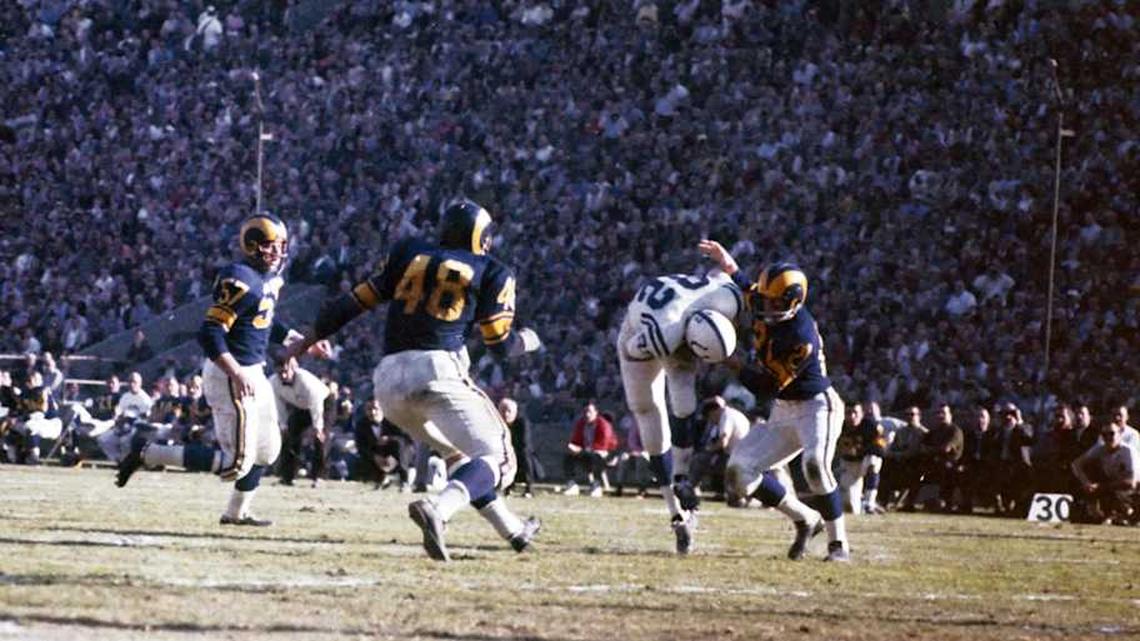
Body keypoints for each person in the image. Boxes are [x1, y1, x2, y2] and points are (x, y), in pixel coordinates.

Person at [284, 198, 542, 561]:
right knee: (500, 460)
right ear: (480, 237)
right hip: (437, 370)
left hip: (388, 381)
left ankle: (513, 531)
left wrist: (302, 343)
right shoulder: (492, 270)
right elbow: (499, 345)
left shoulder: (409, 252)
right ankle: (438, 509)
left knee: (461, 458)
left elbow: (352, 303)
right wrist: (528, 341)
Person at [117, 213, 331, 528]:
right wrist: (236, 372)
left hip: (252, 372)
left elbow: (265, 320)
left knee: (267, 452)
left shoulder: (266, 281)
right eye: (273, 246)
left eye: (282, 246)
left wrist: (300, 342)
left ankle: (236, 513)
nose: (279, 253)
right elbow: (211, 333)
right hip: (231, 372)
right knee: (235, 465)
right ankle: (148, 453)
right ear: (253, 245)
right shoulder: (239, 277)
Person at [699, 240, 850, 561]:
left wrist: (732, 362)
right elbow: (747, 287)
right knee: (739, 472)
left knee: (815, 466)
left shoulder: (800, 336)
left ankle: (839, 545)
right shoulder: (771, 302)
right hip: (783, 409)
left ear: (792, 304)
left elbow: (768, 384)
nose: (762, 307)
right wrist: (729, 264)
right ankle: (805, 518)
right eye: (764, 301)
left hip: (816, 406)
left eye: (771, 302)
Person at [616, 253, 743, 554]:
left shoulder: (727, 299)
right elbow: (635, 350)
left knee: (684, 405)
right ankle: (676, 510)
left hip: (677, 325)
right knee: (648, 410)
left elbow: (720, 273)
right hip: (641, 333)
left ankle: (683, 479)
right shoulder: (667, 333)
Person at [270, 357, 331, 487]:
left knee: (320, 439)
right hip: (300, 406)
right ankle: (288, 476)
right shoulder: (273, 383)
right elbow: (278, 405)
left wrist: (317, 427)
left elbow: (316, 404)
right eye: (280, 373)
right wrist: (283, 425)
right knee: (290, 437)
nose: (284, 376)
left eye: (286, 371)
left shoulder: (305, 379)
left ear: (293, 369)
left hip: (323, 403)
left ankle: (319, 477)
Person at [1071, 420, 1139, 524]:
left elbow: (1132, 482)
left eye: (1111, 434)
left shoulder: (1128, 451)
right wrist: (1086, 482)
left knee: (1115, 492)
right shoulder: (1100, 449)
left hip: (1132, 491)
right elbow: (1076, 464)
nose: (1108, 437)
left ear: (1120, 434)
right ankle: (1101, 514)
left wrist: (1100, 487)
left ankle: (1127, 513)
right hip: (1111, 487)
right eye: (1104, 434)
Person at [689, 396, 751, 501]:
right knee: (714, 458)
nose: (711, 421)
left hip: (736, 457)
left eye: (710, 417)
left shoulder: (726, 416)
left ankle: (690, 489)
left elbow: (723, 442)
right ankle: (723, 492)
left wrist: (708, 450)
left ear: (714, 412)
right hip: (743, 455)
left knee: (700, 459)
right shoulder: (734, 413)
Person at [835, 402, 887, 515]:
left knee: (873, 461)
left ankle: (870, 502)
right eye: (848, 413)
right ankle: (864, 503)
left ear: (862, 414)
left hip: (864, 460)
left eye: (855, 413)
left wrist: (860, 450)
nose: (852, 416)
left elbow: (881, 449)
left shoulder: (870, 426)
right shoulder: (837, 425)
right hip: (849, 464)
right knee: (850, 507)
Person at [560, 401, 619, 497]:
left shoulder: (603, 425)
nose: (587, 415)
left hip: (606, 453)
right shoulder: (581, 423)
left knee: (594, 457)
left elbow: (602, 446)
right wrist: (572, 447)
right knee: (568, 457)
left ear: (596, 412)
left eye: (590, 412)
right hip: (587, 452)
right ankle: (572, 485)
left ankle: (597, 486)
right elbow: (576, 440)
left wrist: (581, 450)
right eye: (585, 412)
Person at [500, 398, 540, 498]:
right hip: (504, 452)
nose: (506, 414)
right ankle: (505, 487)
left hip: (520, 452)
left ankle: (529, 488)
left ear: (515, 412)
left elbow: (525, 444)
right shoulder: (497, 423)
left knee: (525, 455)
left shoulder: (522, 422)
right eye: (503, 410)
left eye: (509, 411)